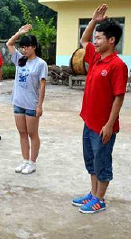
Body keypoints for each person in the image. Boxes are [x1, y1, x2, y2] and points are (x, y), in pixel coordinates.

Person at [71, 4, 128, 214]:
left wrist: (109, 124)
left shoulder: (117, 65)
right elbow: (83, 40)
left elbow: (118, 98)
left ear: (111, 41)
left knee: (102, 163)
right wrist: (94, 21)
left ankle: (100, 199)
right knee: (91, 161)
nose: (95, 42)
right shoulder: (95, 57)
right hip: (89, 121)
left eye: (99, 38)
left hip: (103, 126)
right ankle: (93, 193)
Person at [6, 25, 48, 175]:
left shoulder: (40, 64)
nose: (24, 50)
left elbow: (42, 86)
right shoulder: (19, 59)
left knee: (32, 133)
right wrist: (19, 33)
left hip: (31, 104)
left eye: (27, 47)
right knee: (22, 132)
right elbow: (9, 44)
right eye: (22, 47)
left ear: (34, 47)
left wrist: (39, 105)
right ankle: (25, 160)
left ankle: (32, 162)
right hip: (18, 102)